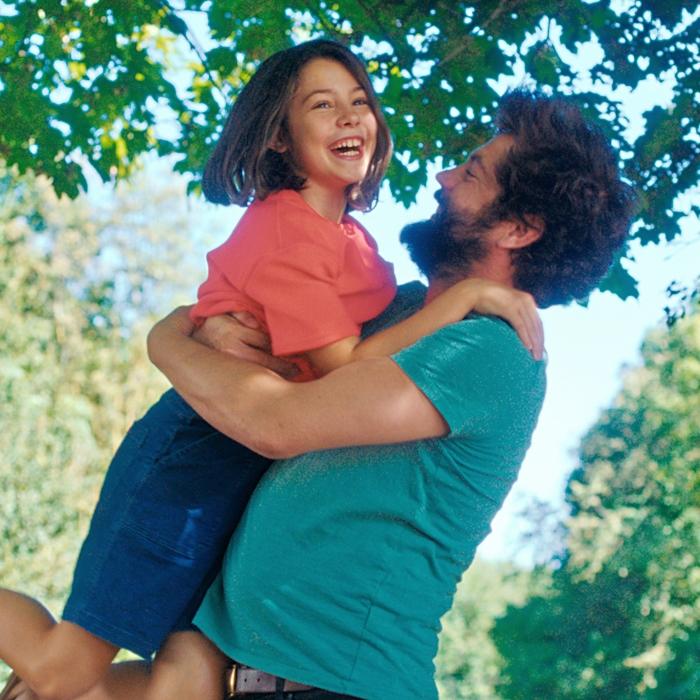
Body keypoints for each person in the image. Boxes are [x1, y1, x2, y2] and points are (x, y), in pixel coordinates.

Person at [0, 41, 542, 700]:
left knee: (153, 679)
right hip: (198, 456)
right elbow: (311, 351)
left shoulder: (468, 337)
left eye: (472, 171)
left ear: (518, 229)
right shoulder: (321, 253)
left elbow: (283, 415)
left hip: (262, 526)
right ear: (281, 136)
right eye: (323, 105)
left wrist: (174, 339)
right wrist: (183, 331)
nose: (443, 176)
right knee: (73, 670)